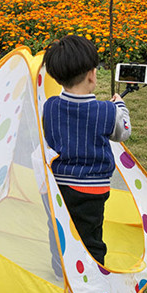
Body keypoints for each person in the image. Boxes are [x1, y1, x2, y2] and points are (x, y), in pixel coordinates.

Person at [42, 35, 131, 265]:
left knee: (58, 230)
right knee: (90, 235)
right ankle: (92, 274)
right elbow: (123, 132)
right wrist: (119, 106)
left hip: (56, 186)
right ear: (92, 75)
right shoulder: (106, 111)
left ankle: (60, 268)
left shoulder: (49, 106)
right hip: (91, 189)